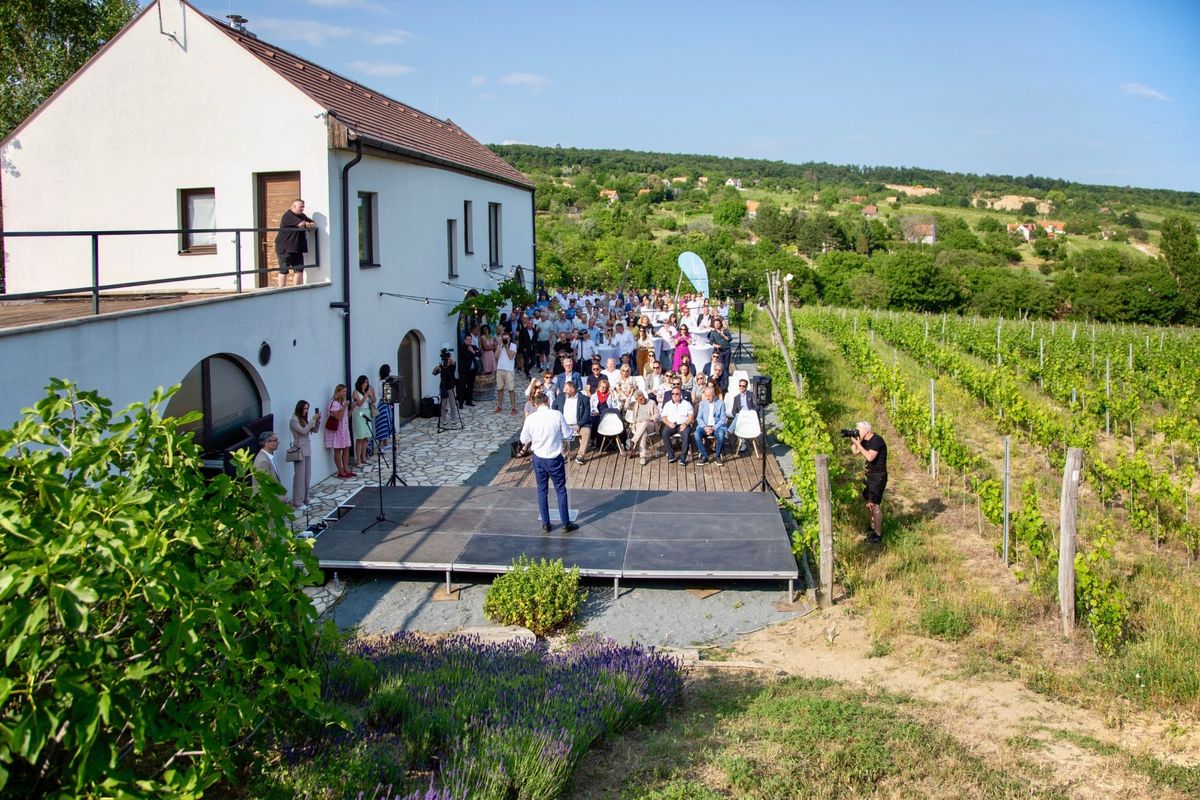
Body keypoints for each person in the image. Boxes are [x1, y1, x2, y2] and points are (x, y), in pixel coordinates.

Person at [519, 393, 579, 533]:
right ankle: (565, 523)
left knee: (541, 490)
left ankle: (546, 523)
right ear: (548, 401)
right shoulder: (556, 415)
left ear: (535, 404)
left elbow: (523, 439)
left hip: (538, 458)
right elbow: (567, 434)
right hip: (554, 457)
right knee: (560, 489)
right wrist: (572, 431)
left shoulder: (531, 418)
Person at [851, 421, 888, 543]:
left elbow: (870, 457)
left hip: (878, 477)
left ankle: (878, 534)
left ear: (866, 430)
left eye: (858, 430)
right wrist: (855, 441)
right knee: (869, 504)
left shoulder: (877, 441)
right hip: (869, 476)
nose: (857, 431)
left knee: (875, 505)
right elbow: (855, 452)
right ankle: (872, 527)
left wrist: (859, 444)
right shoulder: (865, 440)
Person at [273, 199, 316, 288]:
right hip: (285, 247)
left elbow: (313, 224)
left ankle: (297, 288)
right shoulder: (288, 215)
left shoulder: (302, 215)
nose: (302, 209)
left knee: (299, 270)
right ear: (293, 206)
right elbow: (301, 224)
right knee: (284, 269)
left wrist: (308, 224)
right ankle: (281, 289)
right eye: (300, 207)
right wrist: (306, 224)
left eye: (303, 207)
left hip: (297, 248)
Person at [289, 399, 321, 508]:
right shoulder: (294, 421)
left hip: (307, 449)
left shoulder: (304, 420)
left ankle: (305, 498)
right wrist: (312, 419)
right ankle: (298, 501)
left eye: (307, 409)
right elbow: (303, 431)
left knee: (307, 476)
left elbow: (314, 430)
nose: (306, 411)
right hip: (299, 450)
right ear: (300, 408)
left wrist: (317, 421)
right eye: (304, 408)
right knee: (299, 477)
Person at [553, 379, 592, 464]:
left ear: (573, 390)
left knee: (586, 431)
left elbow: (586, 414)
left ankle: (580, 455)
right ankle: (563, 454)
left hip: (578, 424)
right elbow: (554, 406)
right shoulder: (561, 396)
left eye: (566, 390)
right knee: (556, 429)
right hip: (564, 424)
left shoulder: (584, 399)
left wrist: (579, 425)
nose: (564, 391)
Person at [692, 385, 728, 466]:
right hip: (705, 426)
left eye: (709, 396)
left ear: (714, 394)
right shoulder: (702, 403)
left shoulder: (721, 404)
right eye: (706, 395)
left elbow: (723, 419)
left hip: (716, 426)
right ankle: (705, 456)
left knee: (721, 435)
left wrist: (713, 428)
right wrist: (705, 427)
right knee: (696, 434)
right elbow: (699, 417)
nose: (707, 397)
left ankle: (717, 456)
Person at [324, 384, 353, 478]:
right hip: (337, 430)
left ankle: (346, 469)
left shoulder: (342, 402)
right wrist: (344, 407)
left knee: (346, 448)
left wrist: (352, 408)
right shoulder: (334, 403)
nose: (345, 393)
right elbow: (338, 417)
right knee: (338, 450)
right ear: (338, 392)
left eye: (345, 391)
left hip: (344, 429)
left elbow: (346, 416)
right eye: (343, 391)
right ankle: (340, 471)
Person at [660, 387, 695, 466]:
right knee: (664, 433)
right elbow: (663, 417)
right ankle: (671, 455)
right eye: (673, 394)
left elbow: (691, 416)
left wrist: (685, 424)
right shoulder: (667, 404)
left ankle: (683, 457)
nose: (675, 395)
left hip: (683, 424)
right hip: (671, 424)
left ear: (680, 394)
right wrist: (668, 423)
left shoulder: (687, 403)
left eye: (677, 393)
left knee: (686, 436)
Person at [625, 389, 659, 466]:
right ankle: (642, 457)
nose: (643, 399)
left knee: (645, 422)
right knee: (643, 433)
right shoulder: (635, 404)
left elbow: (657, 415)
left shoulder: (651, 402)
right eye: (640, 399)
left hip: (650, 424)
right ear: (636, 399)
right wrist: (630, 395)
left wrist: (649, 419)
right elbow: (626, 406)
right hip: (638, 426)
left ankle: (633, 441)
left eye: (643, 397)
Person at [351, 374, 374, 467]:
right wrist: (366, 394)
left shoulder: (366, 391)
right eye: (364, 382)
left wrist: (372, 395)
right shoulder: (355, 392)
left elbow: (372, 400)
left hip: (367, 413)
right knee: (360, 437)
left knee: (366, 437)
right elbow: (359, 403)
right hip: (359, 413)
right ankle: (358, 460)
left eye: (367, 382)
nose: (365, 384)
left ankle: (364, 457)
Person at [494, 329, 518, 415]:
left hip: (509, 370)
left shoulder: (513, 345)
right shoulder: (500, 345)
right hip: (500, 369)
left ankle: (513, 408)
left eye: (507, 338)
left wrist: (506, 347)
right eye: (504, 339)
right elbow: (496, 356)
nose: (505, 340)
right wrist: (499, 346)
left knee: (511, 389)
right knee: (500, 389)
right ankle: (499, 406)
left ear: (510, 338)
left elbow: (511, 356)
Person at [252, 431, 282, 495]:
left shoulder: (267, 457)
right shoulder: (263, 461)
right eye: (275, 440)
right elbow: (266, 485)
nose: (278, 442)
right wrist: (280, 498)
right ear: (267, 443)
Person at [374, 365, 396, 453]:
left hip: (384, 404)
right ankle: (381, 446)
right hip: (384, 404)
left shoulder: (382, 381)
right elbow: (387, 395)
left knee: (387, 424)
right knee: (383, 424)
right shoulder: (384, 382)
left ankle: (385, 444)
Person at [458, 333, 479, 407]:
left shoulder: (473, 346)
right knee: (462, 387)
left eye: (470, 340)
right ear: (464, 340)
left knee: (470, 386)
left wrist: (473, 351)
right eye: (467, 340)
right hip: (464, 371)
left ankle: (469, 401)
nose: (469, 341)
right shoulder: (462, 348)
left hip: (472, 371)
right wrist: (473, 352)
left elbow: (479, 354)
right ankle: (460, 403)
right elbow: (467, 357)